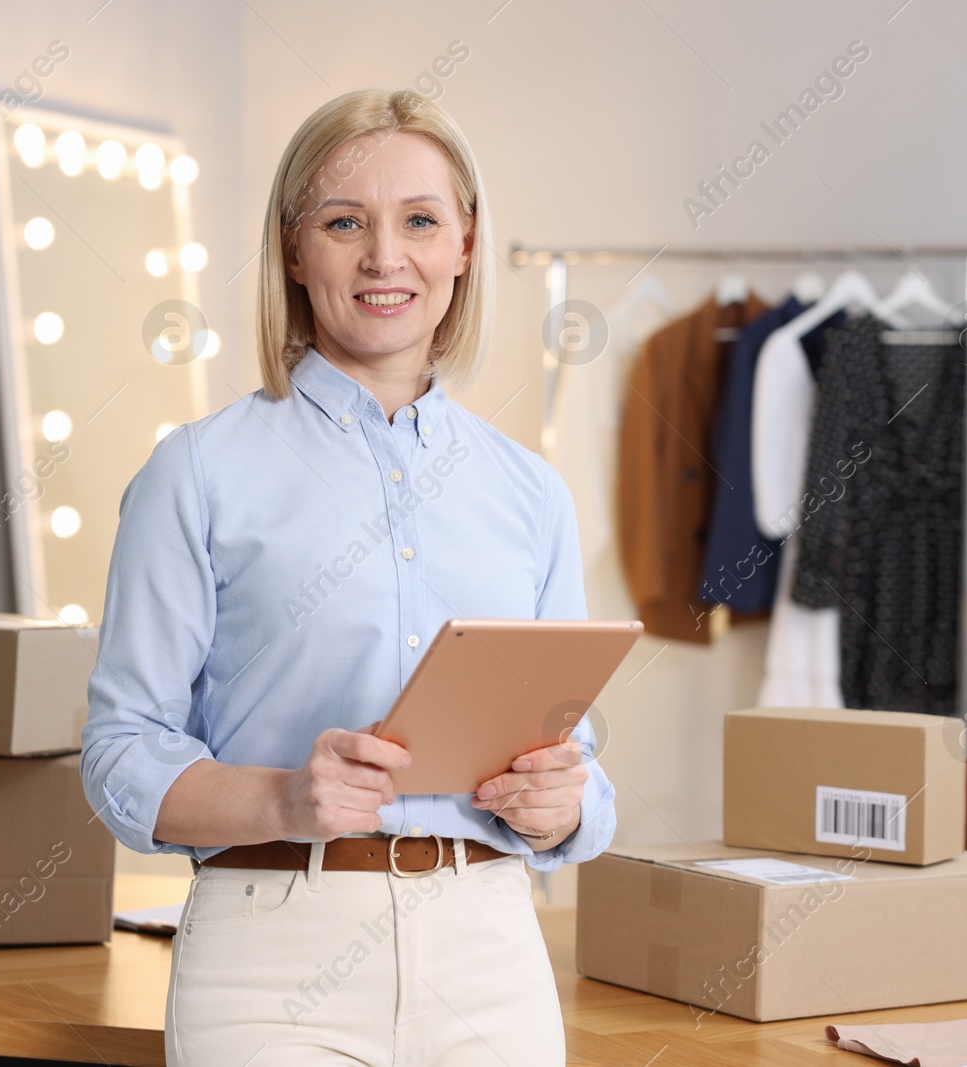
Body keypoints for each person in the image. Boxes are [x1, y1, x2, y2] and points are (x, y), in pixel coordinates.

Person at [81, 87, 616, 1066]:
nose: (383, 256)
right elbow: (120, 754)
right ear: (293, 249)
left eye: (419, 220)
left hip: (491, 953)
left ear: (462, 245)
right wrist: (284, 799)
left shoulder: (530, 493)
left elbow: (576, 757)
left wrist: (567, 805)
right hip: (269, 957)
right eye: (343, 222)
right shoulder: (196, 473)